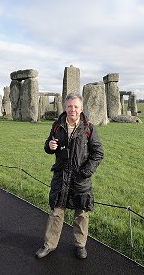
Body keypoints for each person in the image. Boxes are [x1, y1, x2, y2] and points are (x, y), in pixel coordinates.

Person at [36, 93, 104, 259]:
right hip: (61, 175)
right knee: (56, 212)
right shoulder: (57, 126)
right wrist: (49, 146)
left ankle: (80, 245)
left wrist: (86, 172)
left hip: (80, 177)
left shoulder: (88, 128)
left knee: (81, 213)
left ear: (81, 109)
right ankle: (49, 245)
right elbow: (48, 145)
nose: (72, 109)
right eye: (69, 106)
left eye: (76, 107)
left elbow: (98, 153)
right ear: (65, 107)